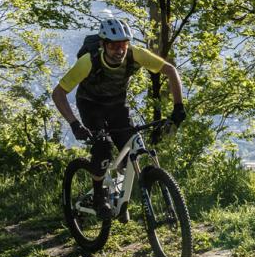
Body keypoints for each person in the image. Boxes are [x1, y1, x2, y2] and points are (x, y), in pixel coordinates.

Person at [51, 17, 186, 220]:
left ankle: (121, 199)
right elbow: (58, 93)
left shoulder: (135, 54)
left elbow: (170, 70)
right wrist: (74, 124)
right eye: (114, 46)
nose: (120, 50)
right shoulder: (89, 61)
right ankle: (99, 196)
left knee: (132, 149)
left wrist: (178, 107)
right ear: (103, 44)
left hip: (117, 105)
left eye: (123, 44)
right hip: (90, 105)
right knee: (103, 148)